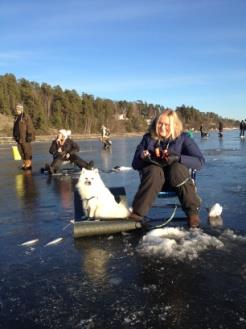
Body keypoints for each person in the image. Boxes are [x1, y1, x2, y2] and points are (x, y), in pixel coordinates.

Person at [129, 109, 205, 228]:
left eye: (167, 124)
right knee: (153, 169)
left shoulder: (183, 139)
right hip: (153, 182)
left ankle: (192, 213)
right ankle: (138, 213)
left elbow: (200, 162)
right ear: (155, 123)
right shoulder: (147, 139)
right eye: (160, 123)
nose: (162, 127)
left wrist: (178, 158)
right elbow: (135, 164)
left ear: (174, 125)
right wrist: (142, 157)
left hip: (177, 182)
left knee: (177, 168)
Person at [13, 103, 35, 170]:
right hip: (18, 138)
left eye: (19, 108)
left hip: (25, 137)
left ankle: (28, 164)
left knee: (27, 151)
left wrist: (29, 135)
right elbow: (15, 128)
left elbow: (30, 126)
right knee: (20, 151)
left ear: (22, 109)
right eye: (17, 108)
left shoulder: (26, 116)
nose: (17, 109)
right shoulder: (16, 117)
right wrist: (14, 136)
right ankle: (25, 162)